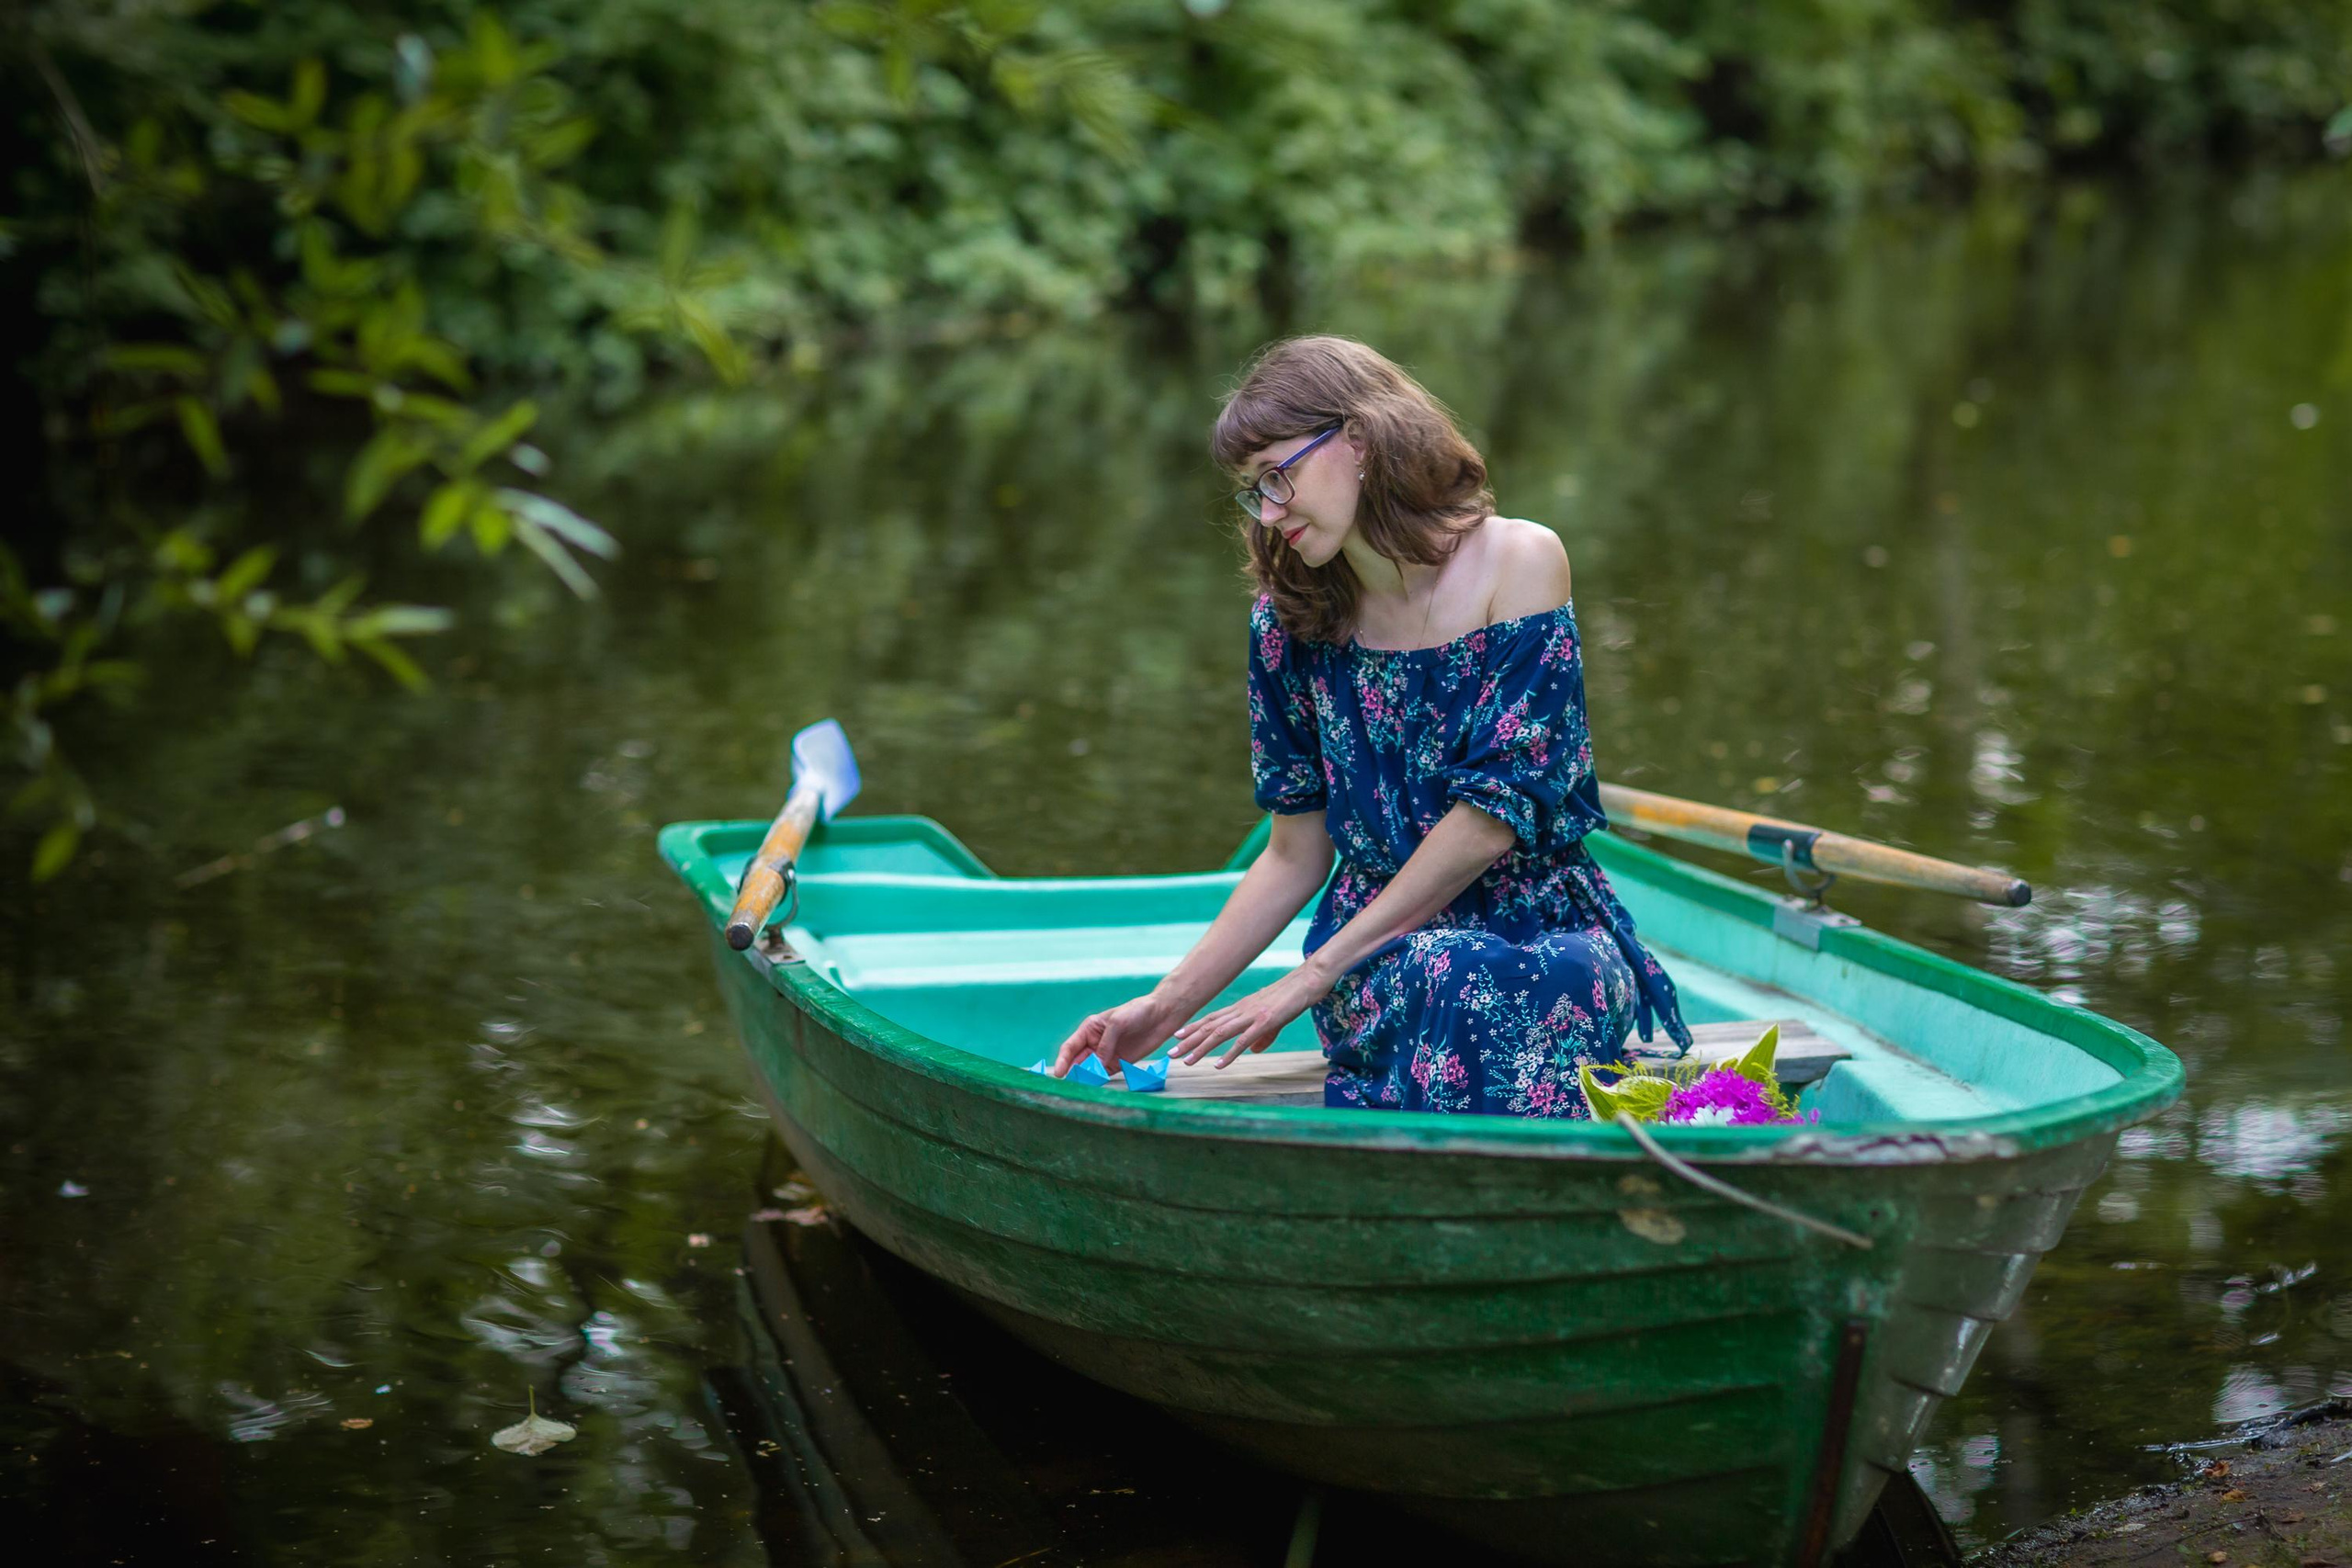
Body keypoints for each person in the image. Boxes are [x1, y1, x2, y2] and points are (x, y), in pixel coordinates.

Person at [1052, 335, 1689, 1116]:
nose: (1270, 511)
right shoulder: (1287, 623)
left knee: (1512, 979)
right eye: (1255, 491)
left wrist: (1309, 974)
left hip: (1545, 925)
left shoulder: (1520, 564)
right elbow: (1294, 852)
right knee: (1441, 974)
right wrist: (1164, 1005)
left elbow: (1493, 820)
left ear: (1358, 438)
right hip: (1380, 951)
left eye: (1279, 477)